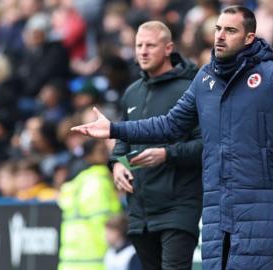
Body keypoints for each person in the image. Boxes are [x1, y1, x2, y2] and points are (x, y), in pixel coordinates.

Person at [71, 6, 273, 270]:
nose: (220, 35)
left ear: (248, 37)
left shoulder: (272, 74)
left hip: (263, 205)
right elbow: (170, 125)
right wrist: (115, 129)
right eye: (218, 28)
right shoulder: (205, 79)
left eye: (230, 30)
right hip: (218, 210)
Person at [109, 21, 203, 270]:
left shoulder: (191, 89)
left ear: (168, 48)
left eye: (150, 45)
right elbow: (122, 142)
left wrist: (167, 154)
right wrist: (117, 165)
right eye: (139, 45)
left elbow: (207, 145)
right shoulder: (132, 92)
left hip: (179, 208)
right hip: (140, 212)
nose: (143, 51)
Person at [58, 139, 122, 270]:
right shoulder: (98, 183)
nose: (108, 154)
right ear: (89, 156)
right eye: (103, 151)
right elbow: (104, 224)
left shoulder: (76, 183)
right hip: (96, 263)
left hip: (70, 263)